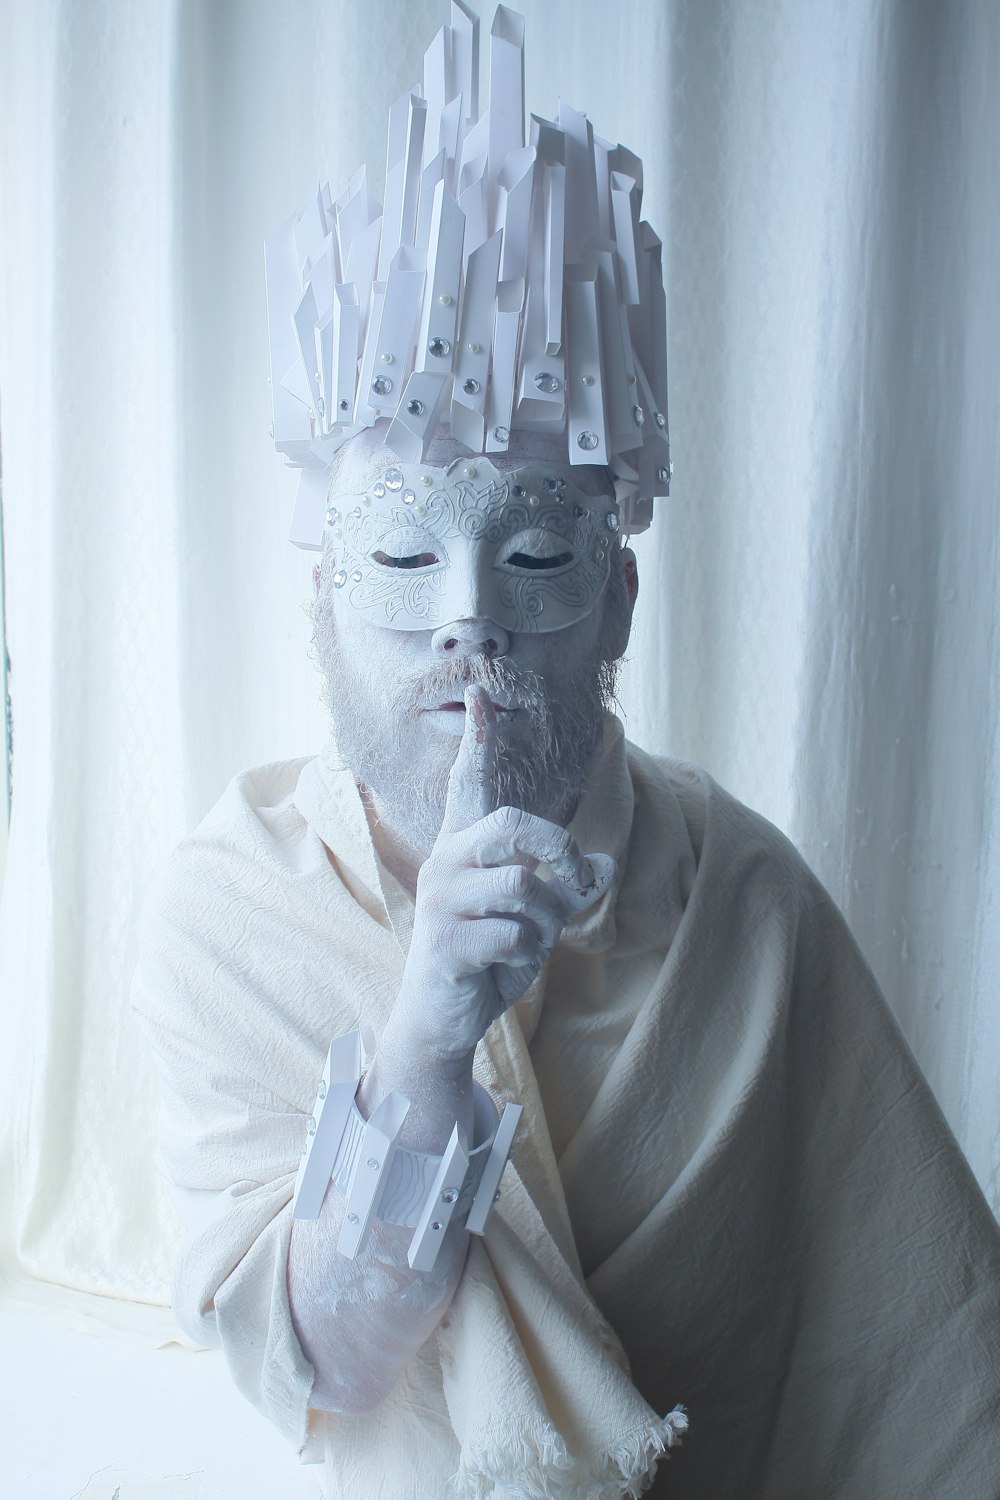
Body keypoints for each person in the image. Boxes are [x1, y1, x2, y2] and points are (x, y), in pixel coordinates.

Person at [133, 6, 1000, 1497]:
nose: (468, 625)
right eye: (401, 558)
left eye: (535, 553)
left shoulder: (742, 898)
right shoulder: (229, 916)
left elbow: (916, 1358)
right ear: (325, 605)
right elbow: (320, 1367)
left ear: (617, 591)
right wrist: (420, 1042)